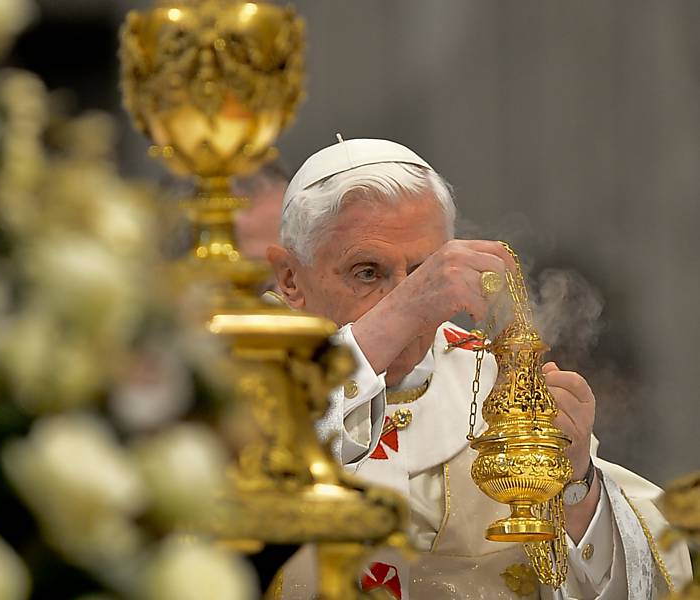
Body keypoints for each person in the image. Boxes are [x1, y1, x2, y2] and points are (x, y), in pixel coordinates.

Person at [266, 138, 692, 599]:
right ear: (291, 279)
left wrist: (578, 491)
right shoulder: (236, 380)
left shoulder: (501, 385)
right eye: (367, 272)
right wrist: (397, 317)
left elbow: (645, 580)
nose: (415, 297)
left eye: (424, 270)